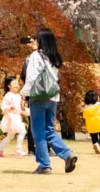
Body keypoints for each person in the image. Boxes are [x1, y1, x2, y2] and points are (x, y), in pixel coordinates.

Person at [19, 28, 77, 175]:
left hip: (38, 97)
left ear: (41, 41)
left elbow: (31, 77)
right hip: (52, 97)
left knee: (38, 132)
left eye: (36, 39)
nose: (34, 41)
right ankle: (67, 154)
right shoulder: (54, 58)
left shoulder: (35, 56)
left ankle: (44, 165)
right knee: (49, 130)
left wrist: (24, 95)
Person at [0, 75, 28, 157]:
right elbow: (3, 106)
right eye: (14, 83)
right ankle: (18, 149)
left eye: (18, 83)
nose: (17, 85)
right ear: (9, 86)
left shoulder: (18, 96)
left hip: (17, 118)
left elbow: (21, 109)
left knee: (10, 136)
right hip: (11, 118)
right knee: (22, 131)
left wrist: (27, 111)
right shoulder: (8, 95)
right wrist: (9, 107)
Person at [82, 90, 100, 154]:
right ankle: (98, 144)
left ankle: (95, 147)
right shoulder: (99, 106)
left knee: (94, 137)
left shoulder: (86, 108)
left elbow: (84, 116)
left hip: (90, 125)